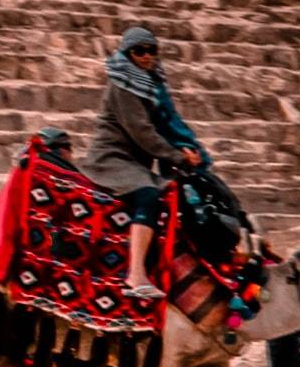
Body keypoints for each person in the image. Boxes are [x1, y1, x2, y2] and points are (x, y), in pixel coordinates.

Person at [87, 24, 241, 296]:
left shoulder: (151, 86)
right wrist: (177, 157)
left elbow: (168, 126)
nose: (147, 56)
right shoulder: (123, 85)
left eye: (152, 50)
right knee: (149, 196)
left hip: (135, 163)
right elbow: (142, 132)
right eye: (139, 51)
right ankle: (135, 275)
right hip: (112, 160)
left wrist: (189, 151)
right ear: (127, 53)